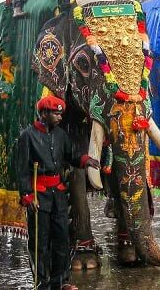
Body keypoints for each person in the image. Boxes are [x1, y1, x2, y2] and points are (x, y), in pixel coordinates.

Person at [15, 95, 99, 290]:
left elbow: (71, 156)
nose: (60, 117)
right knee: (40, 243)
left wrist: (85, 160)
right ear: (44, 114)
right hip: (39, 196)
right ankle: (41, 284)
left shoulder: (61, 135)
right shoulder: (27, 136)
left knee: (62, 240)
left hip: (58, 195)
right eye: (56, 113)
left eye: (61, 113)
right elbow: (22, 170)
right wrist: (27, 196)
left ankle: (61, 281)